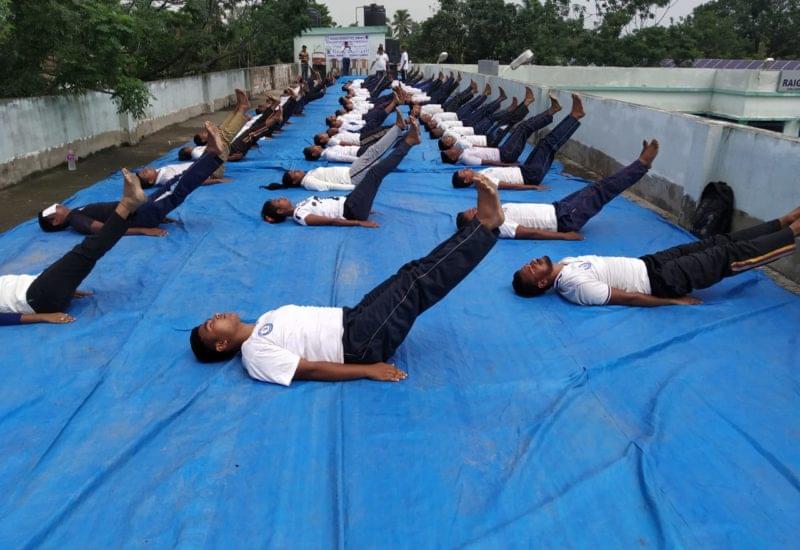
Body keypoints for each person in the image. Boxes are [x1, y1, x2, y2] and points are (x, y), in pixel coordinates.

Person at [189, 177, 505, 385]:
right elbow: (309, 370)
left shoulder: (264, 322)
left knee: (411, 272)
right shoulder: (254, 354)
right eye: (210, 325)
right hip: (357, 343)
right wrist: (367, 370)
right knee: (417, 284)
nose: (214, 317)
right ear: (221, 344)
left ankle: (480, 228)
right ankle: (485, 226)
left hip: (352, 318)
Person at [511, 204, 800, 306]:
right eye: (530, 270)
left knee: (719, 242)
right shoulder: (574, 288)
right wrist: (674, 300)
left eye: (527, 263)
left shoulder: (565, 265)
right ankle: (794, 231)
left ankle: (784, 220)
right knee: (729, 256)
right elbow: (628, 297)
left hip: (652, 262)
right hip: (664, 281)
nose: (531, 262)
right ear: (541, 284)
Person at [1, 169, 148, 327]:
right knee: (86, 252)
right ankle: (127, 204)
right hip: (39, 297)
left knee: (89, 255)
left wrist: (68, 289)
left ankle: (129, 209)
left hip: (42, 290)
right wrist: (45, 317)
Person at [38, 122, 227, 237]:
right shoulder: (76, 220)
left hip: (140, 210)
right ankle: (212, 155)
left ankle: (210, 155)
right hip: (140, 216)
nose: (58, 205)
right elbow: (106, 231)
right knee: (178, 186)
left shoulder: (75, 213)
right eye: (55, 209)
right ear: (55, 221)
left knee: (177, 183)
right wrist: (144, 229)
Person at [456, 140, 658, 240]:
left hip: (559, 208)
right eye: (472, 214)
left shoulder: (493, 214)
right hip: (564, 220)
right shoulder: (498, 227)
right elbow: (531, 233)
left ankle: (639, 165)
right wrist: (565, 236)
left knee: (597, 188)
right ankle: (641, 165)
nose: (475, 209)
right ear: (476, 225)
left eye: (471, 209)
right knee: (601, 189)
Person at [261, 120, 419, 227]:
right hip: (351, 209)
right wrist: (359, 222)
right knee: (376, 172)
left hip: (351, 202)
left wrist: (360, 200)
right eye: (277, 202)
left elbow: (329, 204)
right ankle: (408, 141)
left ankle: (407, 139)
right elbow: (330, 221)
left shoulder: (300, 205)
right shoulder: (300, 216)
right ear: (280, 211)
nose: (280, 198)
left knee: (376, 171)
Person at [451, 94, 585, 189]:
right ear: (467, 180)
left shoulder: (480, 175)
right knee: (547, 144)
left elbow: (504, 175)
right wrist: (531, 187)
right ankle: (574, 116)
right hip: (529, 175)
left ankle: (567, 114)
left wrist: (511, 166)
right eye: (463, 173)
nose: (465, 169)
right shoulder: (481, 181)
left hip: (524, 169)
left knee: (542, 141)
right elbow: (505, 185)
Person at [440, 91, 558, 166]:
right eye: (450, 150)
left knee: (509, 122)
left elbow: (479, 148)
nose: (452, 148)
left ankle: (528, 104)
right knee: (515, 125)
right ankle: (534, 106)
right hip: (498, 147)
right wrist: (508, 165)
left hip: (492, 144)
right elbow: (489, 162)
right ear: (452, 157)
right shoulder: (466, 158)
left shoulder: (463, 151)